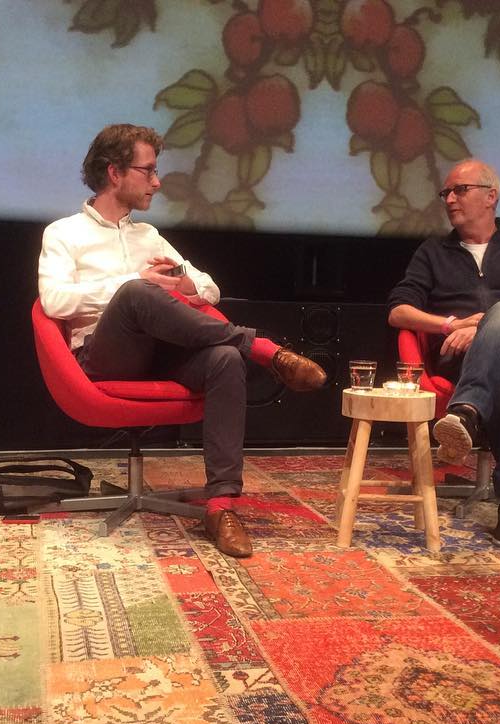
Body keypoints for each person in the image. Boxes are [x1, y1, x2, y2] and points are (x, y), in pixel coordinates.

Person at [38, 123, 326, 559]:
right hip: (105, 355)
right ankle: (264, 350)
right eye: (148, 170)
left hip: (161, 353)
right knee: (135, 293)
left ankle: (221, 506)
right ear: (114, 172)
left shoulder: (149, 236)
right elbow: (54, 301)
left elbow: (211, 288)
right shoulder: (64, 233)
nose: (157, 182)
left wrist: (185, 284)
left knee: (225, 358)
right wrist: (135, 280)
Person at [387, 159, 500, 550]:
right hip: (461, 358)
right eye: (445, 193)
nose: (449, 199)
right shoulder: (433, 251)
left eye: (460, 190)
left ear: (490, 196)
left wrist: (486, 325)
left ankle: (466, 411)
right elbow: (398, 311)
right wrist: (450, 325)